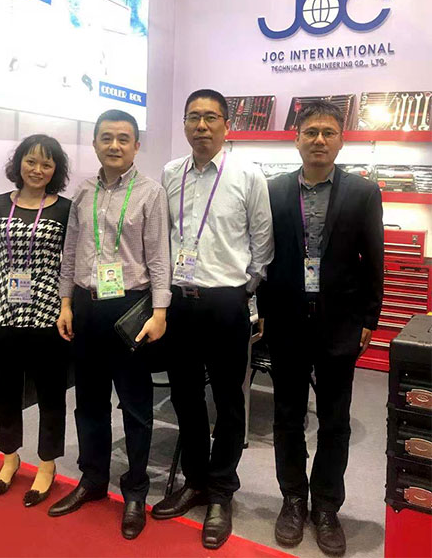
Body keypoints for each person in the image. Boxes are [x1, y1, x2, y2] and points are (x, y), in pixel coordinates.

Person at [257, 100, 384, 557]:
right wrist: (262, 311)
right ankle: (293, 499)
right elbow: (264, 257)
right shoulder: (272, 190)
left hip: (340, 322)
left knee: (335, 420)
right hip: (287, 322)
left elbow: (374, 259)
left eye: (328, 132)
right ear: (296, 139)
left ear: (341, 140)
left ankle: (327, 506)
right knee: (287, 416)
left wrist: (370, 318)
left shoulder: (363, 193)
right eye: (310, 132)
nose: (319, 140)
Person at [152, 90, 274, 549]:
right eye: (193, 118)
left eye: (210, 118)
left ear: (226, 125)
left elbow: (263, 241)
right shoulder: (170, 173)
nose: (201, 126)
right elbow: (163, 235)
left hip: (226, 302)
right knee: (185, 397)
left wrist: (244, 291)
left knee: (228, 400)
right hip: (179, 303)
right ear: (184, 124)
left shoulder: (248, 175)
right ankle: (196, 481)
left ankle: (221, 491)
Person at [48, 109, 171, 541]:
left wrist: (160, 313)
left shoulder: (151, 193)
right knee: (89, 401)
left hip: (130, 310)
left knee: (135, 405)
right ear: (96, 143)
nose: (114, 145)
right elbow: (69, 253)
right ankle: (93, 478)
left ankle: (135, 490)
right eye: (106, 138)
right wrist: (65, 303)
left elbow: (159, 258)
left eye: (123, 138)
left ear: (136, 145)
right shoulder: (83, 192)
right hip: (86, 306)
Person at [0, 134, 71, 507]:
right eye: (31, 161)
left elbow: (71, 261)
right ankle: (9, 458)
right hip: (4, 307)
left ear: (55, 170)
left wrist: (65, 304)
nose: (37, 169)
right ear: (19, 163)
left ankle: (47, 464)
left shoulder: (64, 209)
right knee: (6, 388)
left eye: (46, 164)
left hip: (48, 309)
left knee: (50, 390)